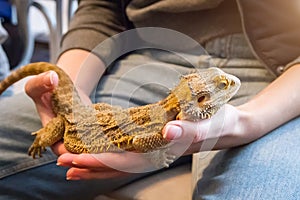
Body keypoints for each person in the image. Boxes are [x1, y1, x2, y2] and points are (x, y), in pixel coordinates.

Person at [1, 0, 300, 199]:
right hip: (142, 56)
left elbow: (153, 144)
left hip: (284, 81)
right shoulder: (168, 118)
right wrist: (69, 90)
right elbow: (101, 9)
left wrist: (249, 122)